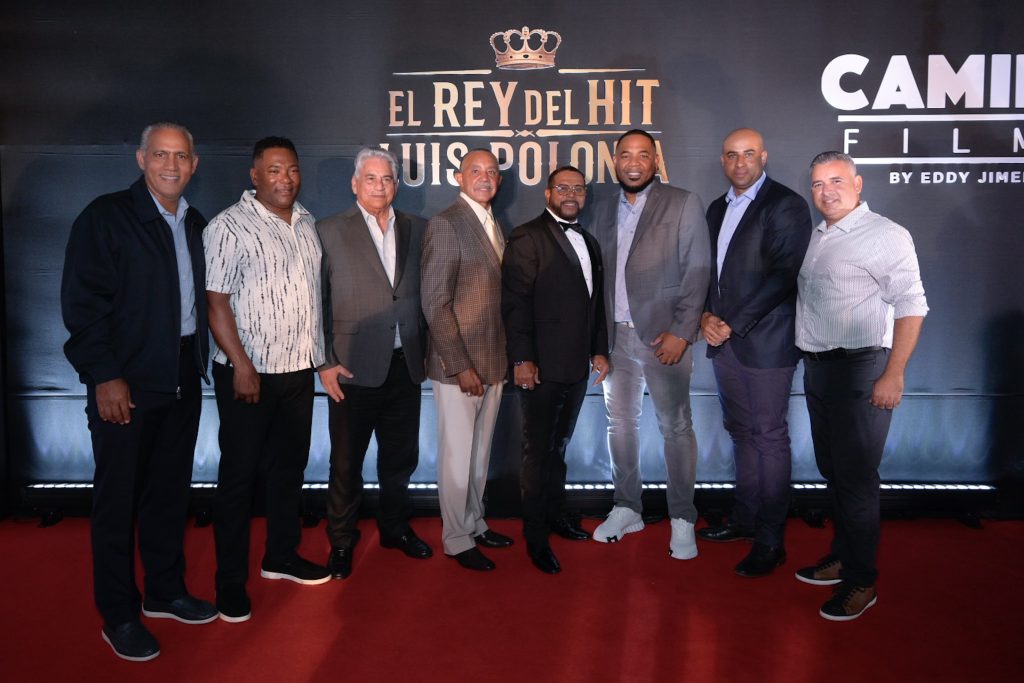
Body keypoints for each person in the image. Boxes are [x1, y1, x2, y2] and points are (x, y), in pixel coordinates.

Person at [61, 122, 217, 661]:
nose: (171, 165)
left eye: (181, 156)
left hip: (180, 375)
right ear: (141, 159)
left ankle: (165, 591)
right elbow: (83, 305)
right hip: (124, 381)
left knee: (169, 493)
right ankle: (119, 615)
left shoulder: (194, 222)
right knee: (117, 501)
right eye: (161, 155)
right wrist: (104, 375)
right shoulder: (106, 217)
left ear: (194, 165)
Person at [796, 151, 928, 621]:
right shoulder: (820, 234)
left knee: (855, 480)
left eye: (836, 181)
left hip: (861, 369)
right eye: (817, 183)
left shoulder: (885, 234)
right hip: (819, 368)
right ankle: (843, 556)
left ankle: (862, 580)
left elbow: (912, 304)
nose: (826, 191)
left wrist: (894, 373)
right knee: (834, 470)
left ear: (858, 183)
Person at [204, 136, 330, 623]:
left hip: (297, 370)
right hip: (248, 374)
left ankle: (281, 555)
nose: (286, 179)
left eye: (292, 169)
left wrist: (319, 360)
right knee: (238, 479)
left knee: (288, 471)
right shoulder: (228, 226)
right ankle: (229, 582)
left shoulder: (308, 222)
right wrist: (241, 365)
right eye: (275, 170)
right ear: (254, 175)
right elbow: (216, 301)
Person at [590, 129, 711, 558]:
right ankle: (628, 507)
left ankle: (682, 516)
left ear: (655, 161)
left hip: (664, 336)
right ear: (615, 161)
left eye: (643, 154)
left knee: (675, 426)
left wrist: (683, 331)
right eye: (626, 155)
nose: (634, 162)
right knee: (619, 424)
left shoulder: (682, 202)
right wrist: (596, 340)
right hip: (615, 337)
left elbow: (698, 268)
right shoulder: (600, 206)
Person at [698, 128, 812, 577]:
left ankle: (770, 539)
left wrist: (732, 323)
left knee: (768, 437)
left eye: (748, 154)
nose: (740, 162)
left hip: (767, 344)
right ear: (722, 160)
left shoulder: (786, 205)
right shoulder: (716, 208)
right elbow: (710, 274)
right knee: (741, 433)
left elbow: (784, 274)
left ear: (763, 157)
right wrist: (705, 316)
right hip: (724, 343)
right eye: (732, 155)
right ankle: (745, 519)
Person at [317, 147, 432, 580]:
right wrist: (324, 361)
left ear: (396, 185)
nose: (380, 186)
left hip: (406, 364)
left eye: (387, 179)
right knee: (346, 463)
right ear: (354, 183)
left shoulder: (418, 227)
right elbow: (316, 302)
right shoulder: (328, 230)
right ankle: (341, 541)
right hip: (350, 368)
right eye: (371, 178)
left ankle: (394, 529)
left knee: (400, 459)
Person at [502, 165, 610, 574]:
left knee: (559, 447)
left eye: (577, 188)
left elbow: (594, 304)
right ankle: (535, 537)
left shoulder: (589, 241)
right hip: (540, 366)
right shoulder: (527, 236)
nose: (571, 194)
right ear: (547, 194)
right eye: (562, 188)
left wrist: (599, 350)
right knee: (537, 451)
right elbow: (515, 302)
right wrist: (522, 359)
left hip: (576, 366)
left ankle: (554, 514)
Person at [421, 148, 514, 571]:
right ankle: (457, 538)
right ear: (459, 177)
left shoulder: (494, 223)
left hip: (493, 361)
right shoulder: (446, 224)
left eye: (491, 171)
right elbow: (435, 303)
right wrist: (460, 365)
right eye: (475, 170)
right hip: (460, 368)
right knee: (458, 456)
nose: (484, 177)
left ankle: (475, 522)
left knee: (478, 455)